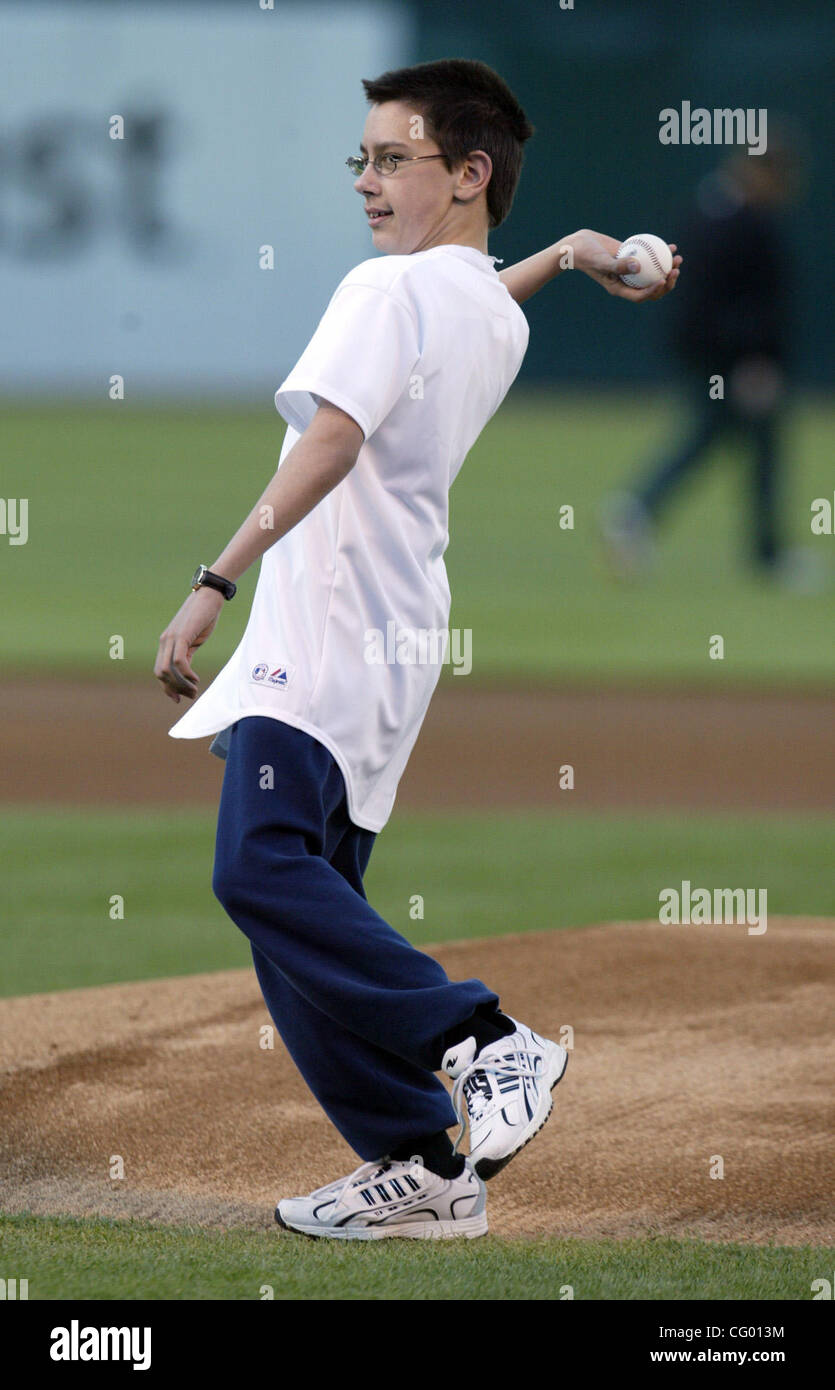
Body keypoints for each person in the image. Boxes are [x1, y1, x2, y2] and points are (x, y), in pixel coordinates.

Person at [154, 58, 680, 1241]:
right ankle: (424, 1168)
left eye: (393, 158)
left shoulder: (381, 295)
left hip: (326, 629)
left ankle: (487, 1040)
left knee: (256, 872)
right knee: (302, 920)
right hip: (392, 645)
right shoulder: (485, 308)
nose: (366, 181)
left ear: (469, 174)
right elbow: (486, 290)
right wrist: (581, 250)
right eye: (363, 159)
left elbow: (331, 441)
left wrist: (212, 581)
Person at [602, 130, 806, 581]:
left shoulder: (722, 209)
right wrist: (751, 360)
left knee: (719, 439)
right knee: (738, 444)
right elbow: (724, 304)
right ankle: (638, 513)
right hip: (729, 361)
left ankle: (635, 513)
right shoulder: (728, 219)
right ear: (758, 171)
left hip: (720, 357)